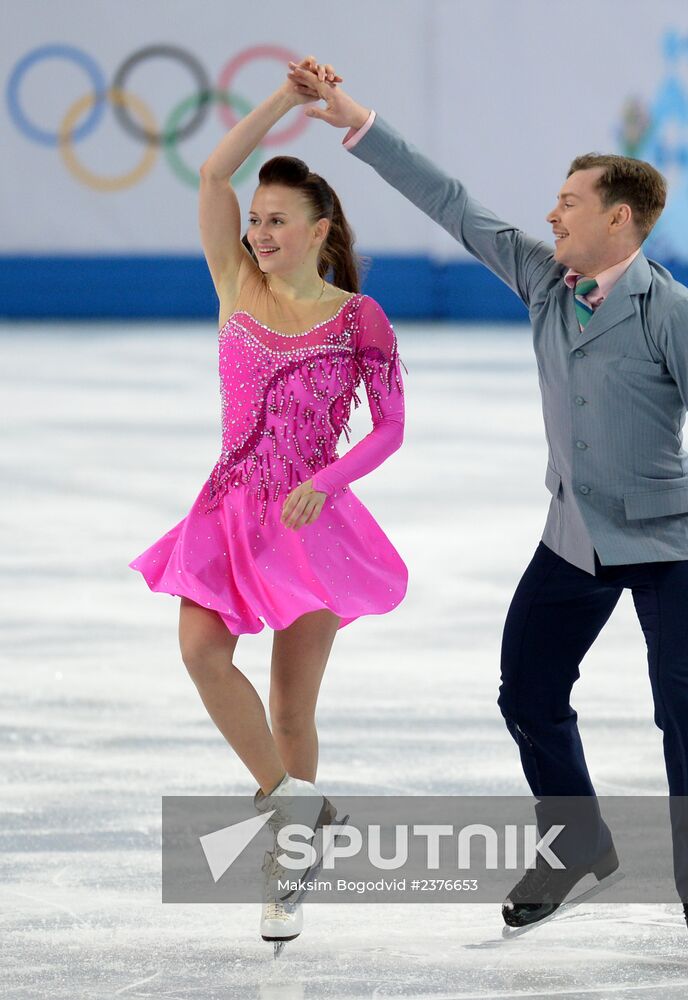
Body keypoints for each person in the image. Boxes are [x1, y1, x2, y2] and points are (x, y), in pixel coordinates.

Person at [286, 56, 688, 952]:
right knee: (527, 692)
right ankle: (575, 844)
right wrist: (351, 117)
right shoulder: (541, 280)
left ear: (619, 218)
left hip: (668, 541)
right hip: (573, 538)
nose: (551, 213)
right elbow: (451, 201)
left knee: (683, 706)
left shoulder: (679, 316)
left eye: (569, 200)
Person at [127, 69, 408, 948]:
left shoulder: (360, 318)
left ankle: (287, 877)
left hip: (309, 523)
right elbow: (213, 176)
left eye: (277, 219)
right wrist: (286, 107)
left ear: (320, 229)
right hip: (227, 511)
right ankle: (295, 803)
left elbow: (391, 430)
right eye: (256, 220)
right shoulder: (234, 286)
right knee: (201, 650)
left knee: (293, 710)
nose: (258, 231)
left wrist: (326, 483)